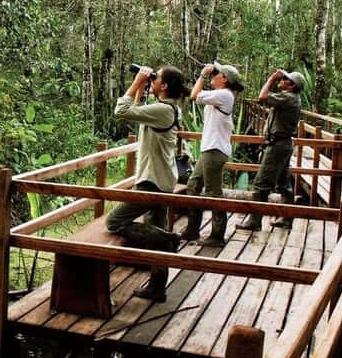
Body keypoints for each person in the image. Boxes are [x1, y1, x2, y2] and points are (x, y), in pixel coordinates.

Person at [106, 65, 189, 302]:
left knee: (114, 222)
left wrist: (137, 81)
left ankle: (167, 238)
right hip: (164, 179)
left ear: (163, 86)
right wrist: (144, 84)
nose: (153, 80)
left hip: (151, 182)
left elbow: (121, 110)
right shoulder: (169, 108)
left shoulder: (163, 110)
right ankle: (156, 287)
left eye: (156, 78)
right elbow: (136, 110)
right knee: (155, 233)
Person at [182, 62, 244, 247]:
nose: (212, 75)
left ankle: (217, 235)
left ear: (224, 79)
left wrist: (202, 75)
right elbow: (195, 94)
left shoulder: (224, 95)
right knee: (193, 186)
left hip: (215, 150)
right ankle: (192, 230)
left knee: (213, 193)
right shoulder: (219, 95)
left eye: (216, 73)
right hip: (209, 149)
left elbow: (194, 96)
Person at [237, 69, 305, 231]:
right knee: (284, 183)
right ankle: (287, 218)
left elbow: (262, 97)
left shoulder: (288, 97)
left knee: (261, 184)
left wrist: (271, 79)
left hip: (277, 146)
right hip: (283, 144)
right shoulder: (290, 98)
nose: (281, 80)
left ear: (291, 85)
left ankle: (254, 220)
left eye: (285, 79)